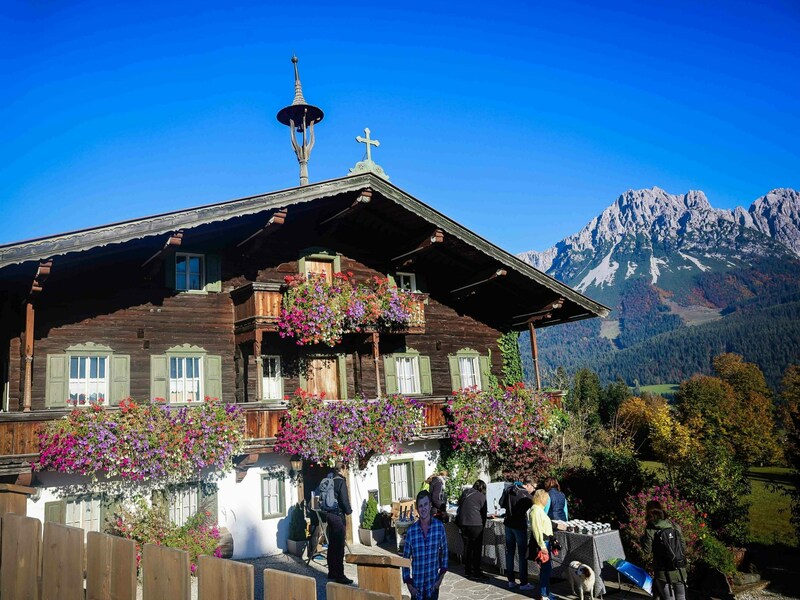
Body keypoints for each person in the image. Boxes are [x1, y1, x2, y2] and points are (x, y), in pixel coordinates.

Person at [402, 490, 449, 600]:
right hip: (416, 589)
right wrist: (410, 586)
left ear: (430, 505)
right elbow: (405, 560)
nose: (423, 508)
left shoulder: (439, 527)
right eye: (420, 506)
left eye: (426, 504)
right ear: (417, 508)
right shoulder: (411, 531)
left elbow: (445, 553)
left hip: (432, 588)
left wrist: (439, 581)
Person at [642, 500, 687, 600]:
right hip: (679, 568)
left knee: (668, 598)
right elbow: (683, 546)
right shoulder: (674, 526)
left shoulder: (650, 529)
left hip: (662, 571)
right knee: (681, 596)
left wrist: (643, 539)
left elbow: (647, 551)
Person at [499, 479, 535, 590]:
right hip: (519, 526)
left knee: (510, 553)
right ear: (528, 485)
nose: (533, 490)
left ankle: (511, 580)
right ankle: (523, 583)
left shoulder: (509, 489)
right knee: (522, 554)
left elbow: (501, 503)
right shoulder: (526, 495)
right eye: (533, 487)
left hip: (508, 523)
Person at [323, 461, 353, 585]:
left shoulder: (329, 479)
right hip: (338, 516)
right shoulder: (341, 481)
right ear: (343, 469)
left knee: (332, 545)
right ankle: (340, 575)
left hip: (329, 515)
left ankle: (331, 572)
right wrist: (349, 511)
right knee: (339, 547)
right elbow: (344, 499)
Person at [456, 479, 488, 580]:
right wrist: (483, 525)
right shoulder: (481, 496)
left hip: (463, 523)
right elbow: (484, 514)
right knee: (477, 549)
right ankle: (477, 571)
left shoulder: (465, 492)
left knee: (468, 548)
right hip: (475, 524)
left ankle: (468, 570)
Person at [530, 488, 554, 600]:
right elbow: (537, 530)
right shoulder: (535, 511)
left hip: (546, 541)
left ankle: (546, 593)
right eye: (546, 498)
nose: (547, 500)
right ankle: (544, 595)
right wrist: (542, 546)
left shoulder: (539, 509)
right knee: (545, 570)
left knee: (547, 570)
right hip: (543, 543)